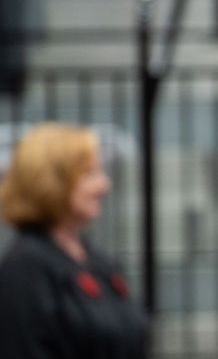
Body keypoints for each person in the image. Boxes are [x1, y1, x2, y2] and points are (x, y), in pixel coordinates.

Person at [0, 123, 149, 358]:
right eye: (90, 174)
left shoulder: (98, 261)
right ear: (50, 181)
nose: (104, 185)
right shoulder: (25, 268)